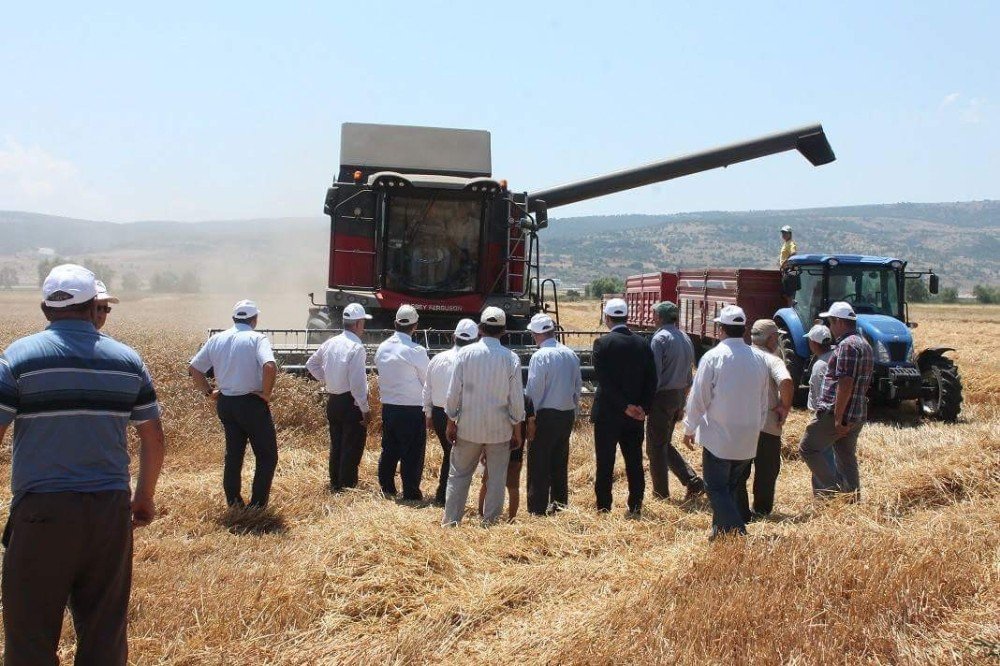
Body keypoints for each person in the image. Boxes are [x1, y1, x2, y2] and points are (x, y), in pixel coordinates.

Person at [0, 263, 165, 664]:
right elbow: (154, 437)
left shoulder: (17, 358)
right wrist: (142, 497)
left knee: (30, 635)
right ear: (94, 307)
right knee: (104, 633)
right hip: (109, 511)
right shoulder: (127, 360)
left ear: (45, 309)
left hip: (41, 513)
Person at [682, 305, 769, 539]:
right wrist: (756, 428)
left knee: (715, 488)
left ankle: (738, 532)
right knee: (730, 487)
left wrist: (689, 427)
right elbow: (764, 400)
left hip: (719, 437)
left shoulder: (713, 357)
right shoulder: (759, 359)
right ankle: (719, 533)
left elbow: (699, 398)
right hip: (748, 437)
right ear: (744, 329)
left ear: (720, 329)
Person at [189, 299, 278, 509]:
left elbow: (194, 368)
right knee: (267, 455)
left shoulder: (217, 339)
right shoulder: (257, 339)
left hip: (226, 404)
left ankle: (234, 502)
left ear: (234, 318)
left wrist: (209, 392)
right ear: (254, 319)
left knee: (234, 454)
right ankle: (257, 505)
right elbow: (269, 366)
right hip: (251, 403)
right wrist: (266, 394)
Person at [442, 307, 525, 526]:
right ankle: (490, 523)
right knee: (497, 478)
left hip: (468, 427)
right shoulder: (511, 358)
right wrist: (517, 430)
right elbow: (516, 400)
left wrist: (451, 422)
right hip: (500, 430)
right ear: (504, 331)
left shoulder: (465, 355)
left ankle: (451, 522)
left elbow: (453, 394)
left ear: (480, 329)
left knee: (459, 476)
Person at [798, 302, 874, 498]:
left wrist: (839, 418)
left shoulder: (847, 346)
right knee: (846, 456)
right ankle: (851, 498)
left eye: (831, 322)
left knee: (808, 448)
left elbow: (845, 382)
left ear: (839, 322)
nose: (830, 328)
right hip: (858, 412)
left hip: (838, 413)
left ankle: (834, 491)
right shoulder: (864, 343)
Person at [591, 297, 657, 516]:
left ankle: (603, 507)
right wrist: (642, 408)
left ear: (607, 318)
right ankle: (636, 505)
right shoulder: (643, 344)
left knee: (605, 462)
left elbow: (605, 382)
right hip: (635, 417)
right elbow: (652, 380)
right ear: (627, 317)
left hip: (608, 414)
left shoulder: (602, 344)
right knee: (635, 462)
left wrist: (623, 406)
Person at [306, 302, 373, 493]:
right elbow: (358, 383)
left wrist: (327, 379)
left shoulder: (331, 342)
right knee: (352, 446)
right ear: (359, 323)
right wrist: (365, 409)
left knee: (337, 444)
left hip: (333, 401)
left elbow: (311, 364)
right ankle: (347, 486)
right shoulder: (356, 347)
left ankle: (335, 482)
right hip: (350, 403)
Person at [646, 301, 706, 501]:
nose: (653, 318)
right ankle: (693, 481)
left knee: (655, 446)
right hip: (679, 395)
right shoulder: (685, 337)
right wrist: (682, 404)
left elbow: (653, 375)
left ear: (660, 317)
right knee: (664, 443)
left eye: (655, 315)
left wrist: (646, 402)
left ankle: (661, 493)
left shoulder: (660, 339)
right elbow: (690, 374)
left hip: (662, 397)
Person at [523, 312, 582, 515]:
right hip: (565, 414)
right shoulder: (570, 353)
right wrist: (574, 409)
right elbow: (577, 386)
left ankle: (537, 508)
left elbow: (534, 390)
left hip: (545, 415)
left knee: (539, 462)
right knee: (559, 460)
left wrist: (531, 417)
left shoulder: (539, 357)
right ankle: (559, 505)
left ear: (536, 333)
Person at [736, 319, 793, 522]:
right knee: (766, 471)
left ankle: (741, 512)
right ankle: (761, 510)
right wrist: (784, 407)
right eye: (776, 337)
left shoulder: (741, 357)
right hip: (767, 425)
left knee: (739, 471)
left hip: (742, 424)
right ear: (770, 338)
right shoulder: (772, 359)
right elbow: (786, 382)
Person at [375, 304, 430, 500]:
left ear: (395, 323)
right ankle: (411, 493)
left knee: (389, 449)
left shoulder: (382, 348)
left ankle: (387, 488)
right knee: (412, 453)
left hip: (389, 407)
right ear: (415, 326)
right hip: (412, 409)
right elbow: (427, 380)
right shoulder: (417, 351)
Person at [423, 318, 479, 506]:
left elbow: (427, 389)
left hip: (439, 413)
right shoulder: (472, 362)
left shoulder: (438, 358)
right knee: (456, 457)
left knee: (451, 454)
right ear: (476, 338)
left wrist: (428, 414)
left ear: (454, 336)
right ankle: (448, 496)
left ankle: (445, 495)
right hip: (461, 414)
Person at [805, 324, 834, 412]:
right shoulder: (838, 354)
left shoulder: (819, 366)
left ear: (813, 343)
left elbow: (820, 396)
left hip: (821, 415)